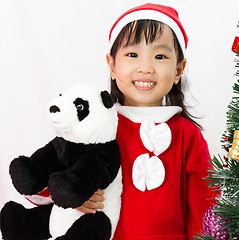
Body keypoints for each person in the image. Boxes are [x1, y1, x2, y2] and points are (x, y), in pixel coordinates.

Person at [26, 3, 218, 240]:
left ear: (179, 69)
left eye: (160, 56)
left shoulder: (189, 136)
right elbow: (41, 176)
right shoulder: (94, 126)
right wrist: (69, 197)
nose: (145, 68)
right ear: (112, 65)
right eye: (132, 54)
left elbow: (205, 207)